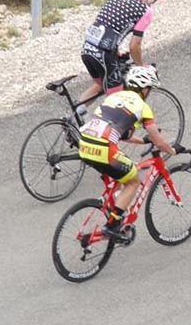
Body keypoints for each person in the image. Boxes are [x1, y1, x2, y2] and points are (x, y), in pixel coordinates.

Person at [77, 65, 183, 242]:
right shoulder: (143, 107)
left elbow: (122, 133)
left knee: (117, 176)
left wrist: (144, 141)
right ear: (145, 88)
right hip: (104, 148)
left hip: (85, 143)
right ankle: (111, 226)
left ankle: (113, 210)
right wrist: (172, 150)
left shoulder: (114, 97)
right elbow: (159, 140)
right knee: (133, 181)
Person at [78, 0, 167, 113]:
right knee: (117, 106)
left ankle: (71, 122)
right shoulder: (145, 10)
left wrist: (117, 51)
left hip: (88, 49)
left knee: (99, 85)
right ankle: (99, 129)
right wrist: (141, 67)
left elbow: (109, 25)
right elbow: (134, 46)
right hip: (103, 53)